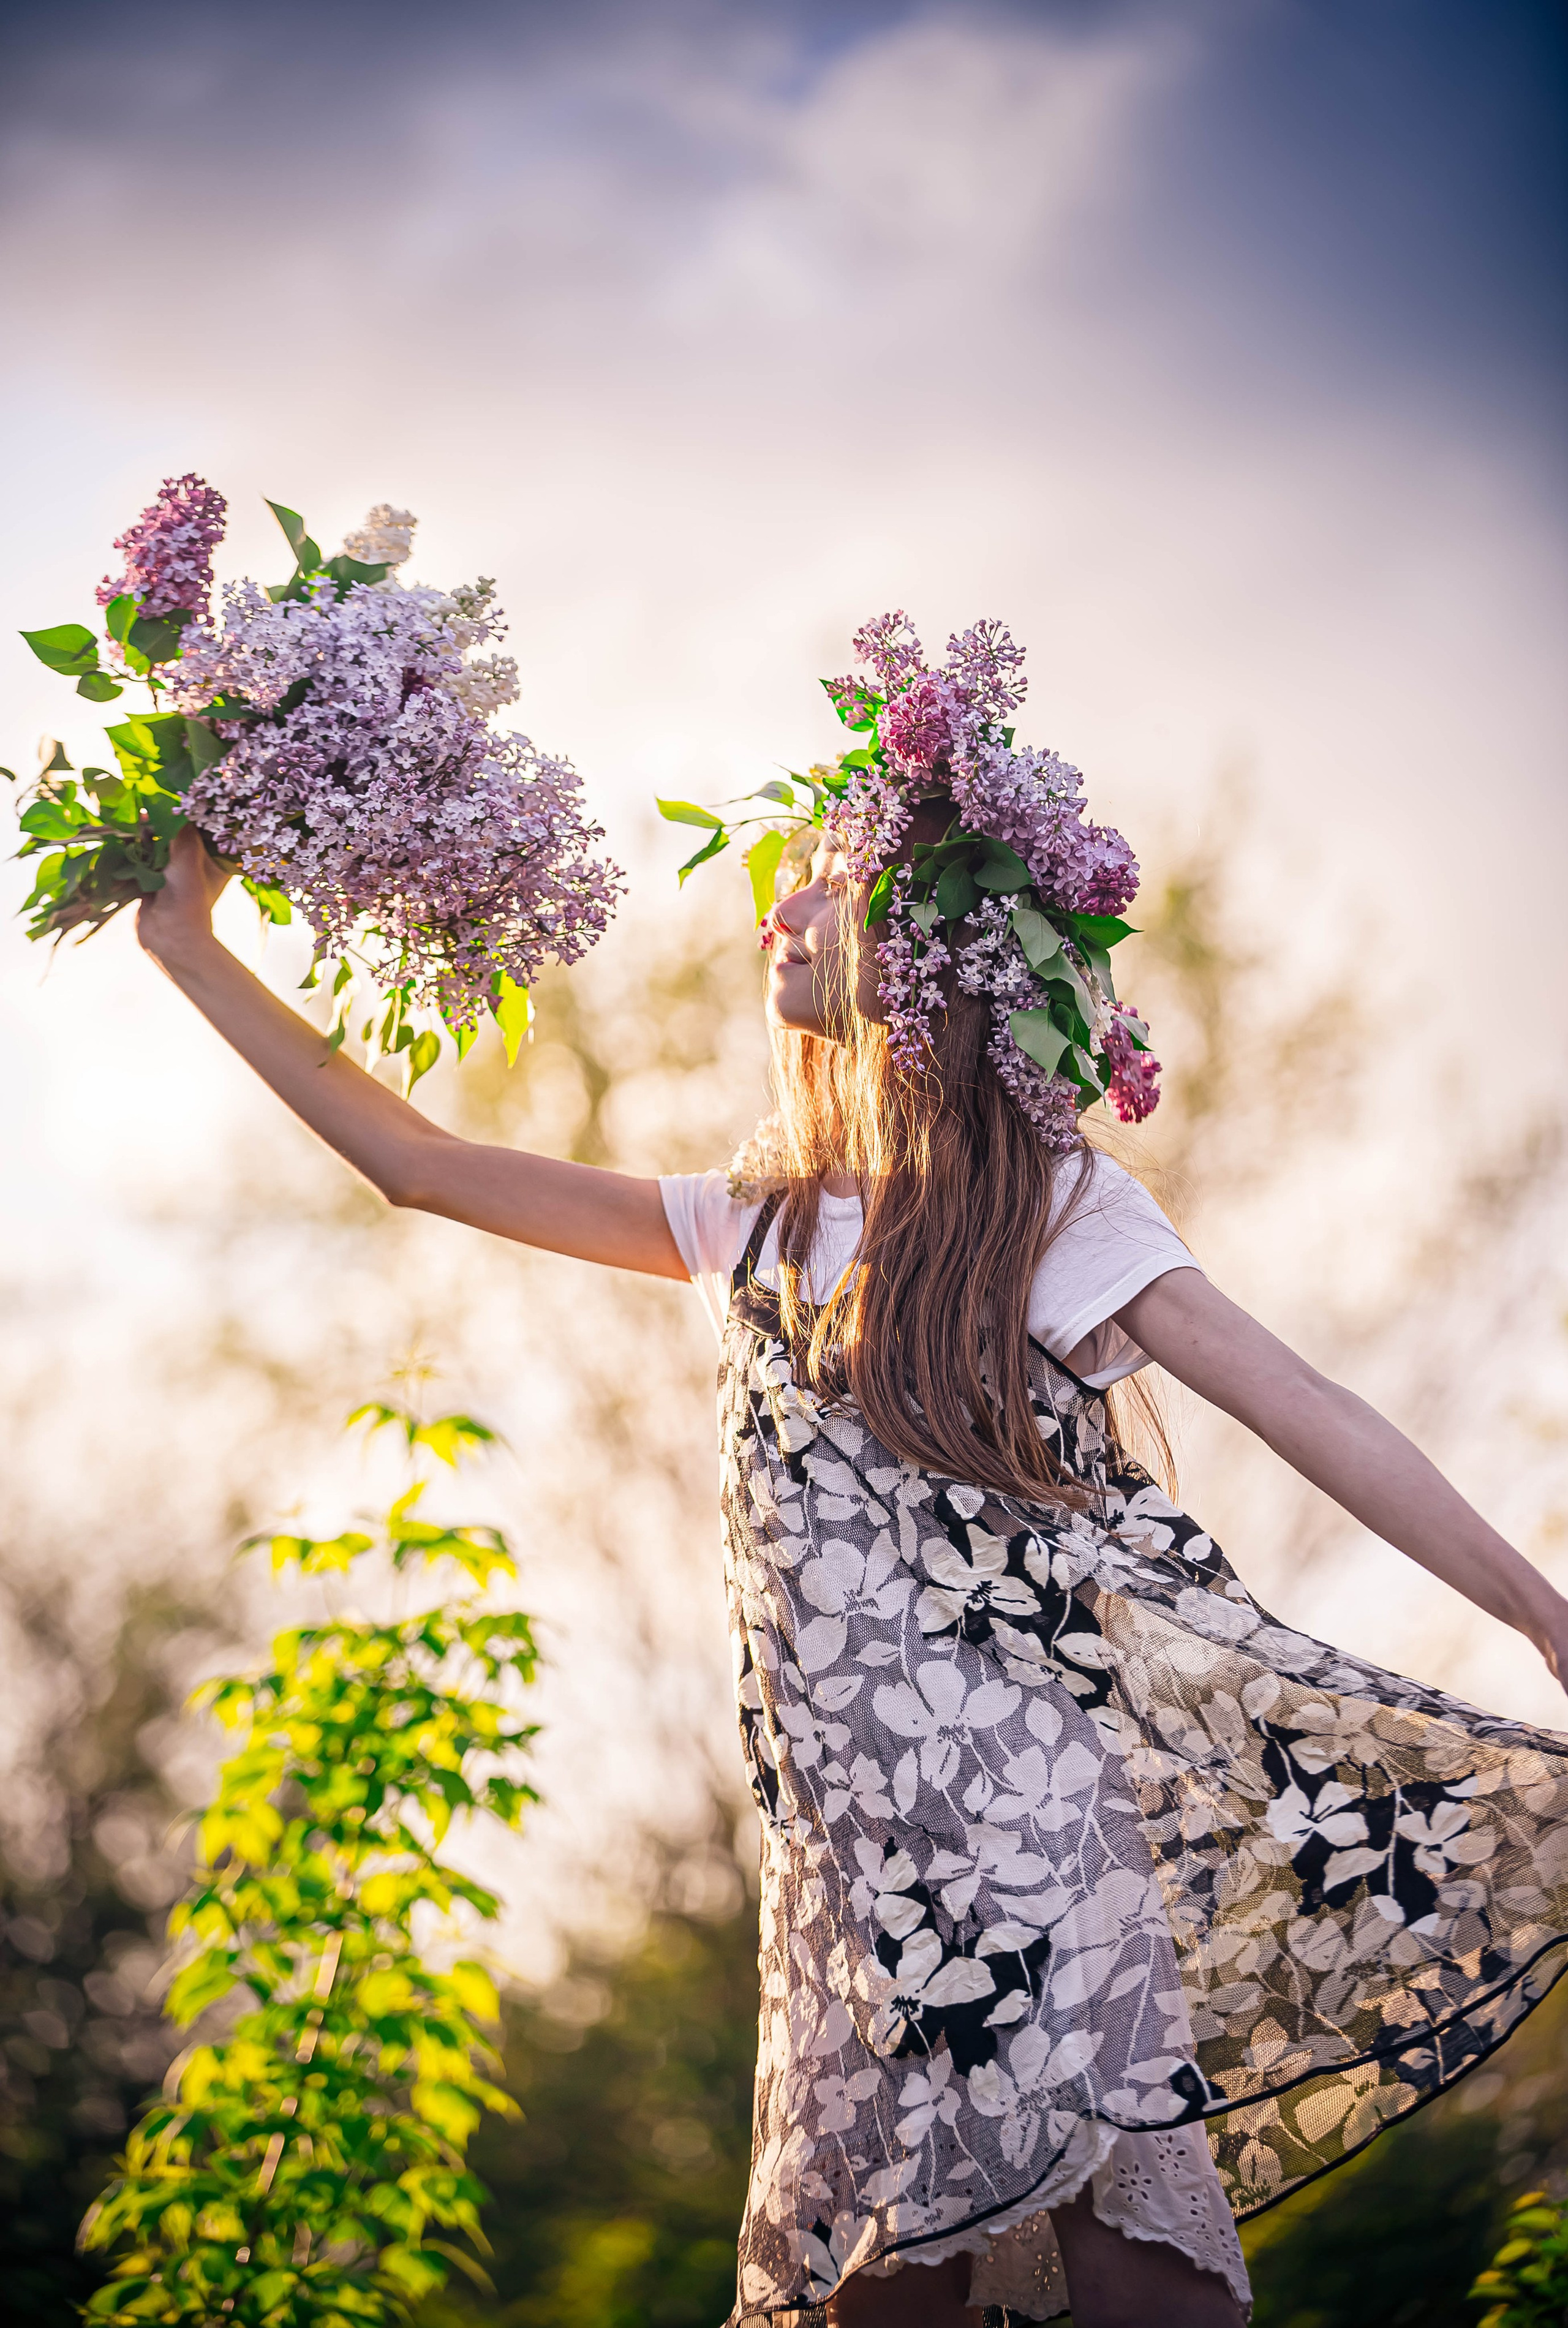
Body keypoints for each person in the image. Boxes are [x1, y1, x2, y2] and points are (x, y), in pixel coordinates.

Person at [135, 615, 1568, 2328]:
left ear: (938, 943)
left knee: (1139, 2295)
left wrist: (1544, 1610)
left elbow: (1310, 1405)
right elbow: (417, 1166)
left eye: (825, 888)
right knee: (870, 2306)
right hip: (852, 1879)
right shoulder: (750, 1221)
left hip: (1037, 1843)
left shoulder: (1046, 1212)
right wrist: (181, 939)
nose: (779, 914)